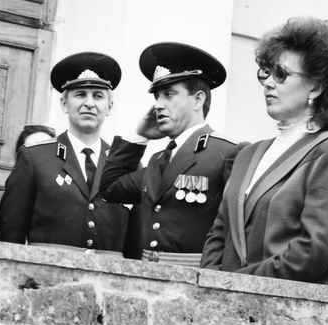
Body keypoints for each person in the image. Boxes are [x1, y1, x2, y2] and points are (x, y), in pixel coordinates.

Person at [201, 18, 328, 285]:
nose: (267, 82)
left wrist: (238, 283)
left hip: (291, 305)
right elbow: (218, 234)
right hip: (225, 300)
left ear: (316, 87)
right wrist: (210, 284)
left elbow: (317, 250)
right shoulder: (247, 155)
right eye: (265, 73)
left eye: (281, 74)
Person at [100, 42, 245, 265]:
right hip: (147, 274)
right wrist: (139, 135)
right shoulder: (159, 160)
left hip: (197, 276)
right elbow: (109, 188)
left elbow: (239, 231)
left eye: (169, 94)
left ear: (198, 99)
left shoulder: (228, 152)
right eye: (157, 97)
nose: (158, 105)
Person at [0, 52, 129, 251]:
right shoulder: (35, 158)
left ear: (109, 107)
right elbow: (11, 236)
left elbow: (135, 245)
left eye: (98, 96)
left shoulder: (125, 163)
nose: (89, 103)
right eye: (80, 95)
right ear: (64, 104)